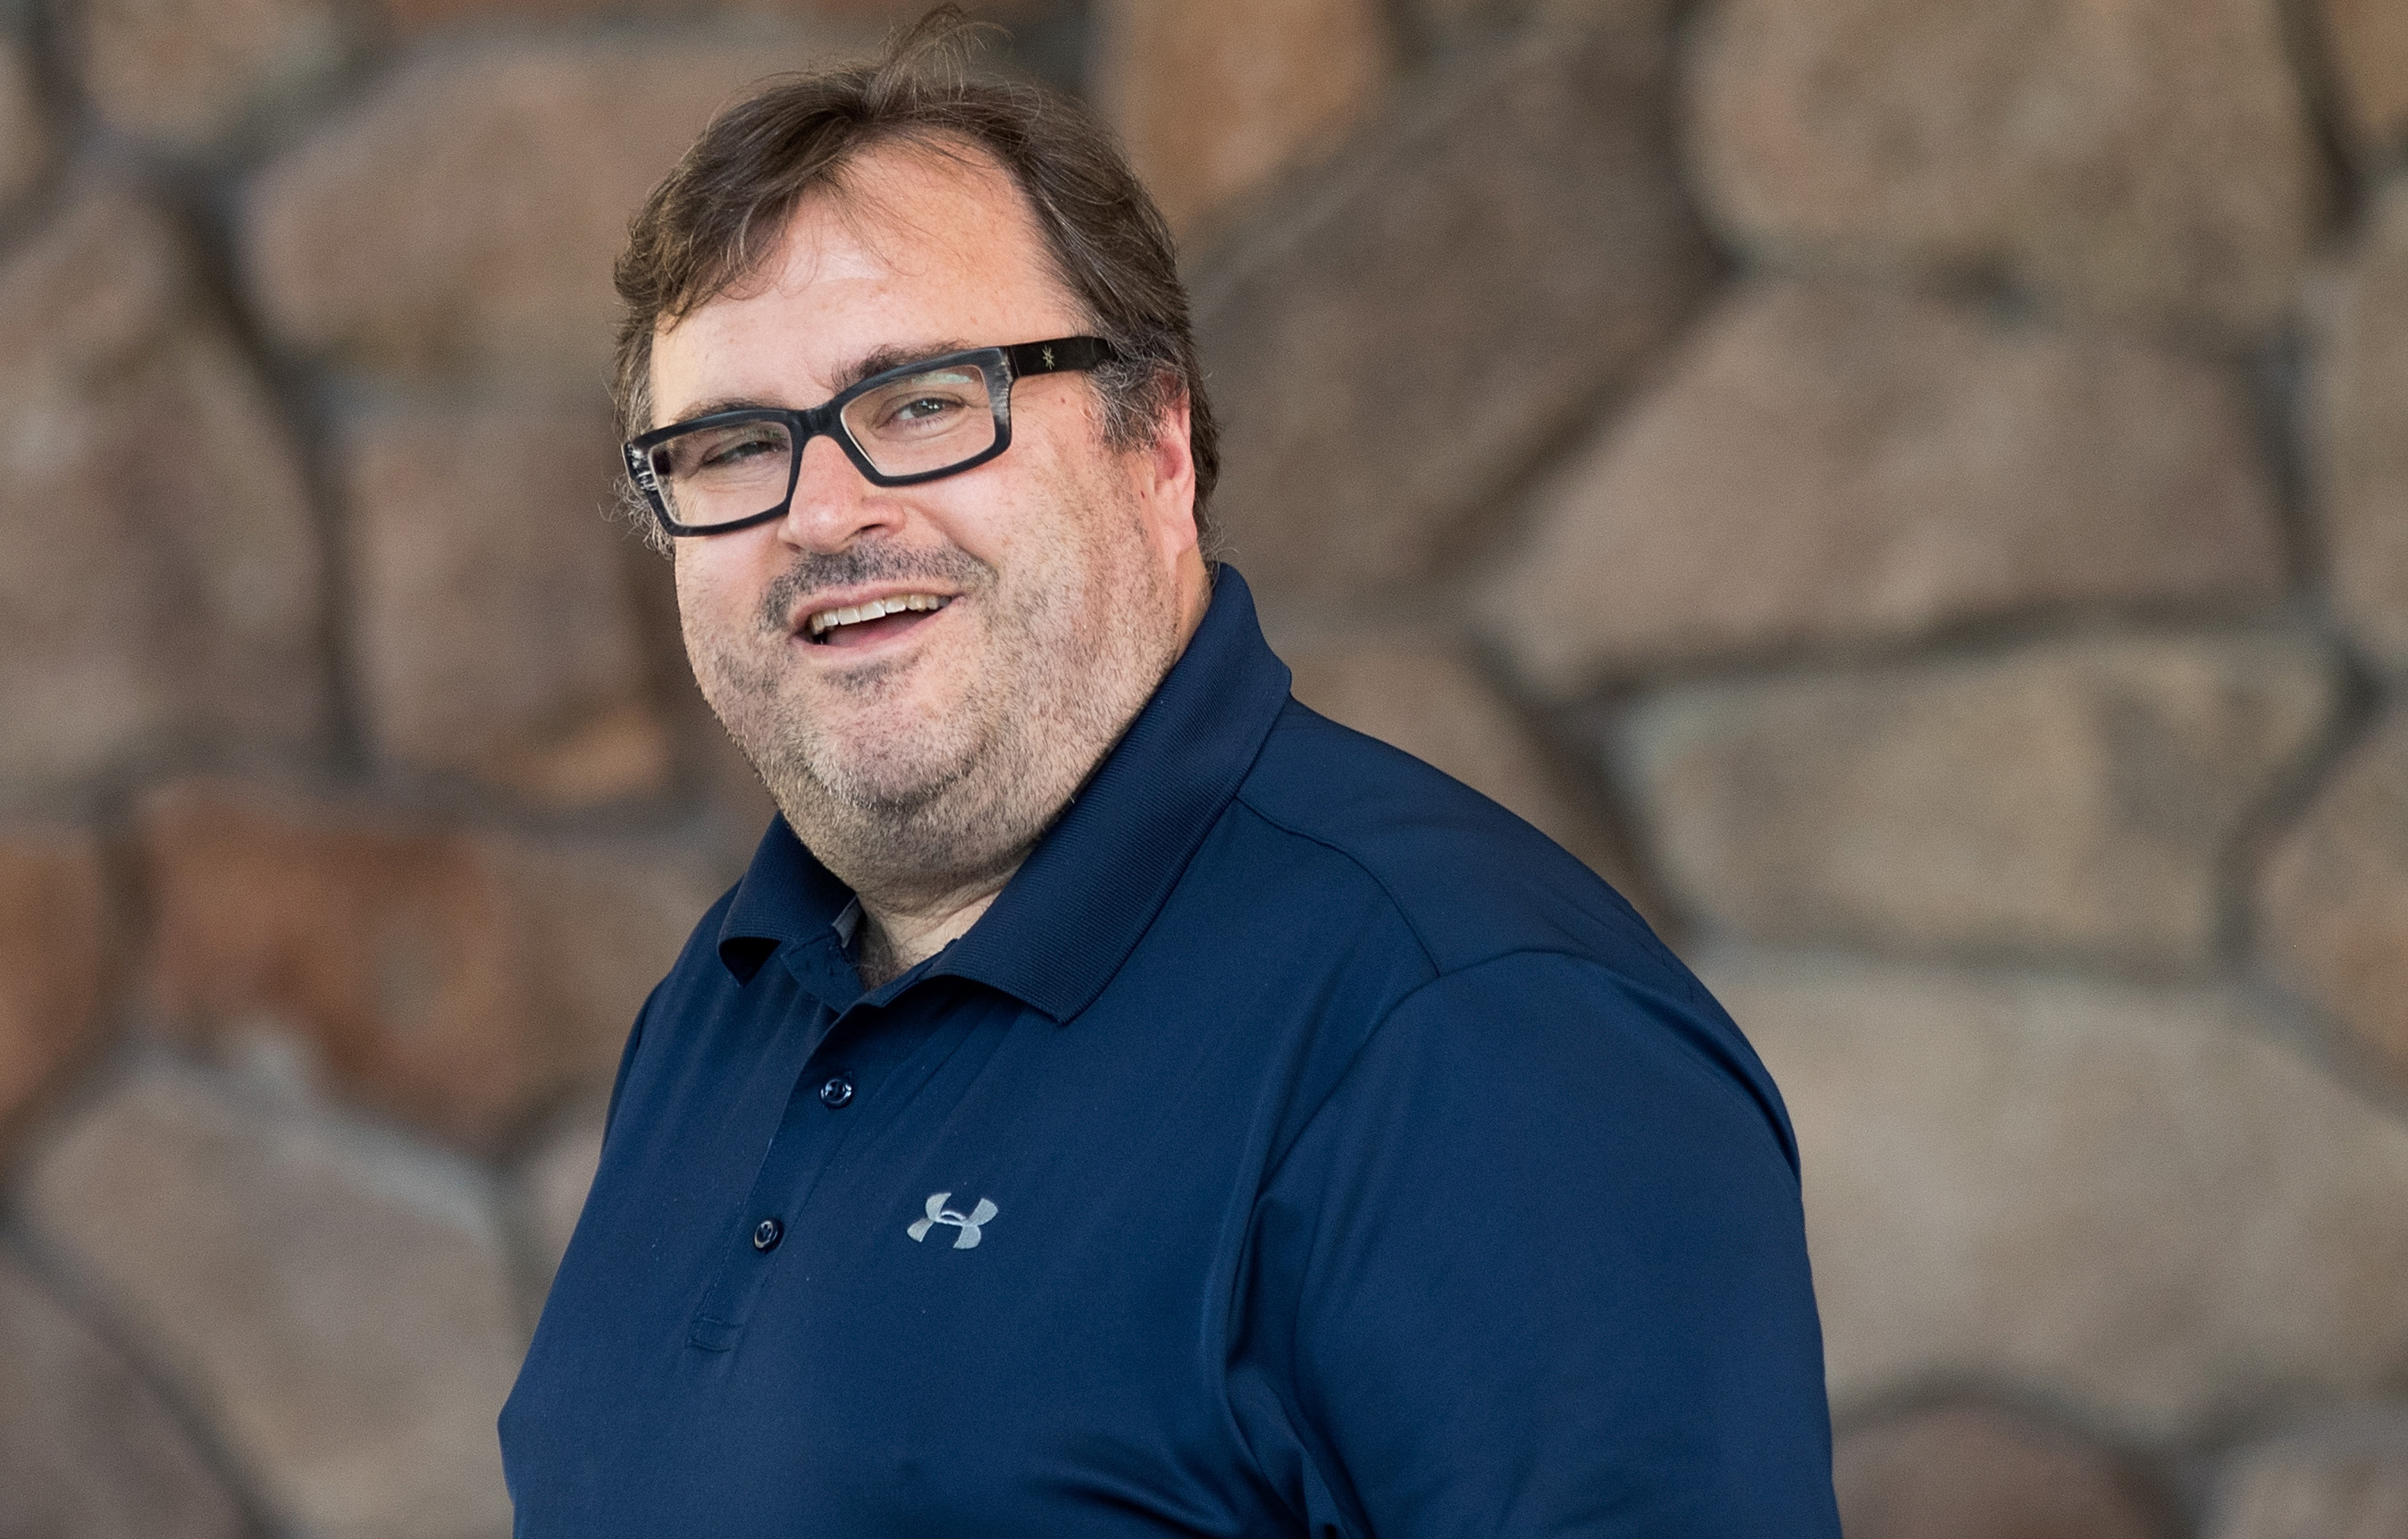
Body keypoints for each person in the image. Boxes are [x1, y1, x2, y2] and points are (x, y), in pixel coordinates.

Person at [499, 11, 1841, 1535]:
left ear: (1160, 447)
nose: (821, 511)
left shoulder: (1474, 1030)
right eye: (730, 445)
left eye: (925, 403)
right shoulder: (723, 1003)